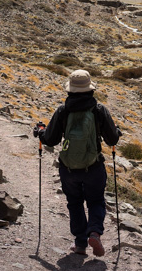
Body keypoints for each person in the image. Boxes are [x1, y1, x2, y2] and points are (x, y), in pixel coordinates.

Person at [34, 69, 121, 257]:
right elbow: (112, 140)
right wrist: (117, 132)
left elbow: (50, 139)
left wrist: (40, 132)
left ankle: (80, 244)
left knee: (74, 203)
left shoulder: (63, 110)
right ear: (90, 89)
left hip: (69, 168)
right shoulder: (99, 110)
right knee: (96, 201)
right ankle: (95, 232)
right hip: (94, 166)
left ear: (70, 90)